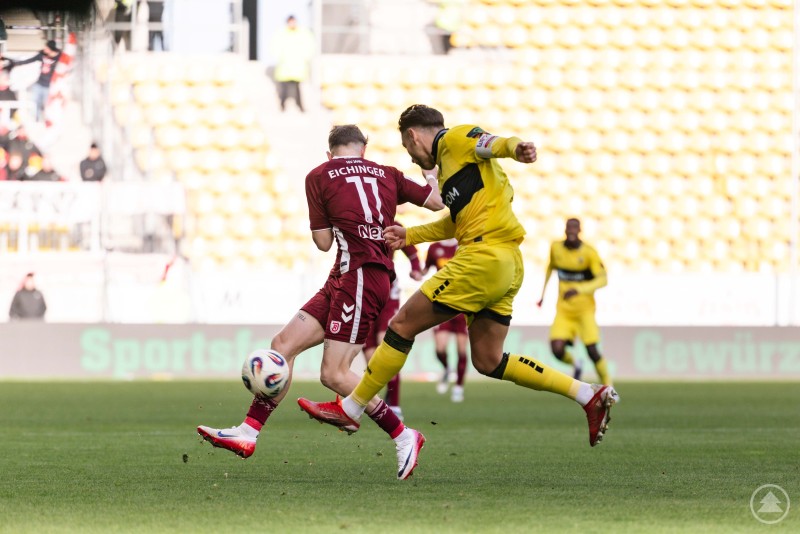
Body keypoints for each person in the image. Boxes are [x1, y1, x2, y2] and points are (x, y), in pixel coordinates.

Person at [299, 105, 620, 468]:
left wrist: (517, 149)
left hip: (481, 257)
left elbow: (491, 142)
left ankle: (353, 407)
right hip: (508, 263)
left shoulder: (453, 140)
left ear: (412, 136)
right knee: (488, 359)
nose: (410, 155)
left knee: (402, 325)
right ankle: (587, 394)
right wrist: (410, 235)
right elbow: (455, 223)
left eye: (407, 148)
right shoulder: (456, 172)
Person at [197, 125, 444, 480]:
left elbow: (323, 242)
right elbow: (436, 202)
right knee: (282, 345)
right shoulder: (387, 173)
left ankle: (403, 434)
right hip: (349, 276)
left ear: (329, 153)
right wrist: (430, 172)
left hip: (360, 274)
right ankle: (248, 433)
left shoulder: (319, 174)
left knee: (334, 373)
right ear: (364, 150)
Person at [537, 218, 612, 385]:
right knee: (557, 349)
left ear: (579, 231)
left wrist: (579, 289)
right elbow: (550, 267)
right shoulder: (556, 248)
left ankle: (608, 385)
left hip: (585, 311)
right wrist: (542, 294)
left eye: (574, 228)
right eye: (568, 228)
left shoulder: (589, 253)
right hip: (564, 310)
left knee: (592, 351)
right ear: (565, 230)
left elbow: (603, 280)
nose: (571, 231)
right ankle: (576, 364)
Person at [361, 232, 423, 421]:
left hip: (388, 292)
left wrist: (416, 268)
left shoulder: (387, 222)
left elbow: (409, 247)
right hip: (364, 292)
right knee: (371, 356)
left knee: (386, 345)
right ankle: (381, 402)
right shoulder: (354, 218)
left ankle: (394, 404)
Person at [423, 238, 469, 402]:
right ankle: (447, 369)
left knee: (461, 350)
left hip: (463, 304)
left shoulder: (465, 246)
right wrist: (418, 273)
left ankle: (458, 387)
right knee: (440, 348)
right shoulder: (434, 247)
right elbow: (426, 269)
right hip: (441, 303)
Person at [7, 40, 62, 122]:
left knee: (47, 104)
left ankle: (47, 119)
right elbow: (29, 60)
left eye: (46, 48)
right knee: (35, 102)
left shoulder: (59, 58)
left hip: (50, 86)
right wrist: (15, 63)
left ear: (51, 49)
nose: (44, 49)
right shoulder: (42, 55)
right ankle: (36, 119)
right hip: (39, 84)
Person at [270, 15, 314, 112]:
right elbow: (275, 47)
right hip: (285, 66)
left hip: (298, 66)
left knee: (297, 89)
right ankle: (282, 105)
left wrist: (306, 58)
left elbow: (309, 46)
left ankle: (300, 106)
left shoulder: (303, 33)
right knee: (283, 90)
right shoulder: (281, 33)